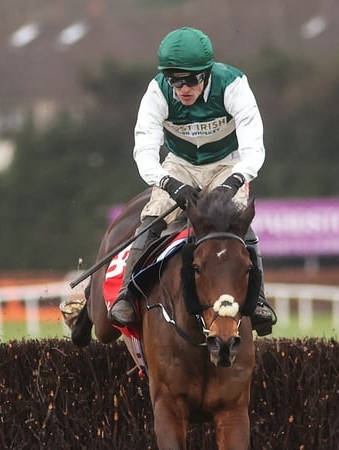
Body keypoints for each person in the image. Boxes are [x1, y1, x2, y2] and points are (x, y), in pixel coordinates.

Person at [108, 27, 276, 336]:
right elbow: (145, 152)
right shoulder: (157, 91)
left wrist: (233, 181)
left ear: (207, 73)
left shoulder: (234, 85)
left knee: (238, 221)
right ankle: (127, 295)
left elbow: (254, 148)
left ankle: (259, 300)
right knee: (152, 217)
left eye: (191, 80)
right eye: (174, 80)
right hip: (179, 164)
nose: (183, 89)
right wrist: (170, 184)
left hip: (226, 163)